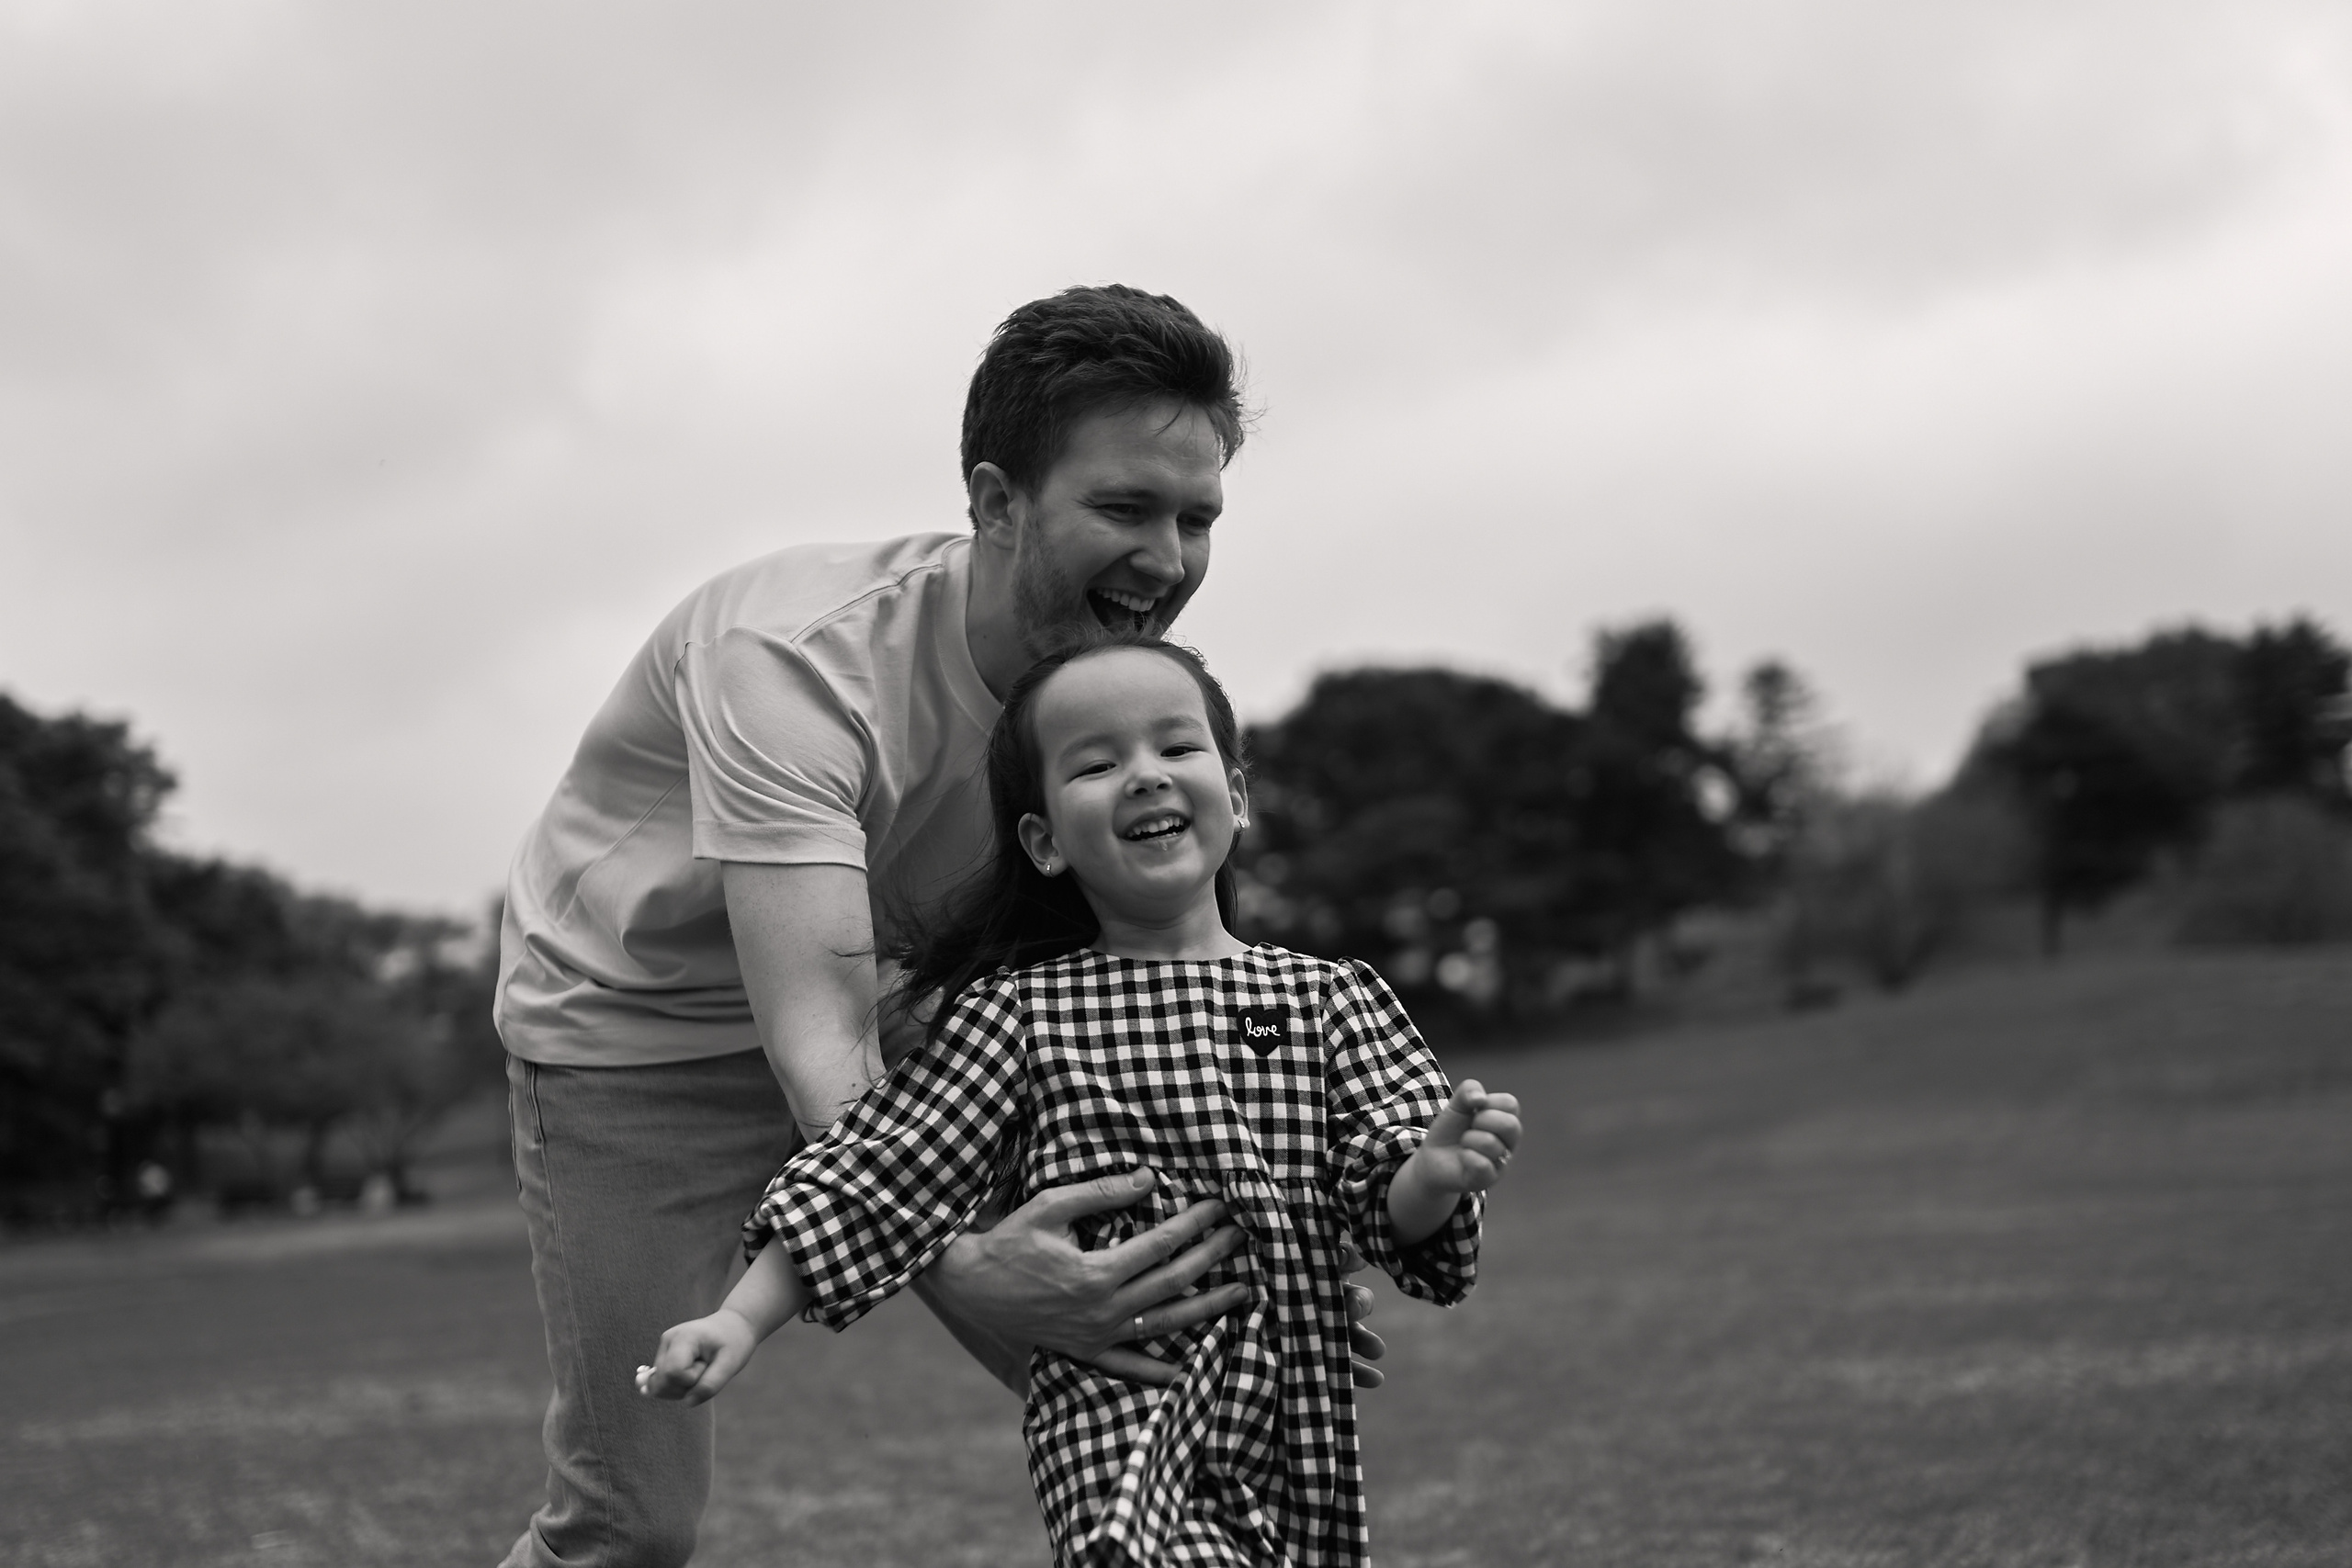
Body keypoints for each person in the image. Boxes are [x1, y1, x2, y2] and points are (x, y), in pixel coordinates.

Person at [495, 287, 1384, 1568]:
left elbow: (1135, 977)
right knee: (629, 1526)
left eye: (1196, 519)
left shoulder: (1110, 707)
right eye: (1125, 509)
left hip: (909, 1009)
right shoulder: (793, 659)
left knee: (1163, 1377)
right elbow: (822, 1029)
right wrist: (958, 1257)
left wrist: (1270, 1271)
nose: (1169, 560)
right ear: (996, 500)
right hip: (637, 1037)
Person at [639, 636, 1523, 1567]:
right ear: (1046, 841)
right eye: (1097, 764)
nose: (1144, 775)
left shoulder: (1331, 998)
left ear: (1237, 793)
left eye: (1175, 746)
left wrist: (1433, 1171)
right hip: (1115, 1412)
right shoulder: (1020, 1015)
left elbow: (1380, 1199)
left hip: (1295, 1414)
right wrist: (736, 1317)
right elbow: (879, 1173)